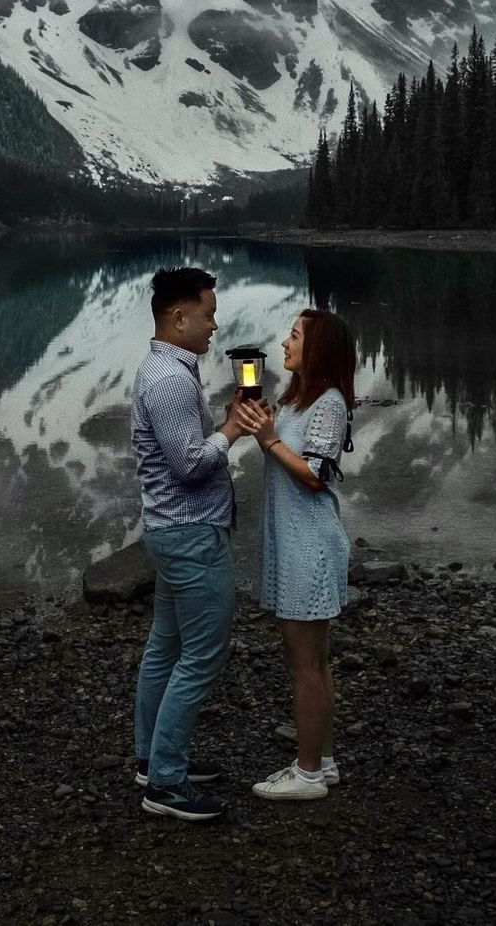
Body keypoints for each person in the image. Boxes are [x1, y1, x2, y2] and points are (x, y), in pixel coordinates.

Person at [131, 265, 248, 822]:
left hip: (168, 530)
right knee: (201, 655)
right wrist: (232, 430)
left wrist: (222, 425)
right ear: (178, 317)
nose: (214, 325)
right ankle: (166, 783)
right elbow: (189, 465)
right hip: (190, 534)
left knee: (165, 648)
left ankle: (150, 758)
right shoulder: (171, 378)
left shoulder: (162, 368)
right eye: (207, 314)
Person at [236, 308, 356, 801]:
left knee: (305, 664)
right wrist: (257, 421)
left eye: (294, 336)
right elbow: (284, 448)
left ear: (319, 348)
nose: (284, 344)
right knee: (315, 661)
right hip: (296, 544)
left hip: (310, 547)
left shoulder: (328, 403)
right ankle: (323, 763)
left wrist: (268, 438)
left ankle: (306, 775)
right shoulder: (299, 400)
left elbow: (314, 474)